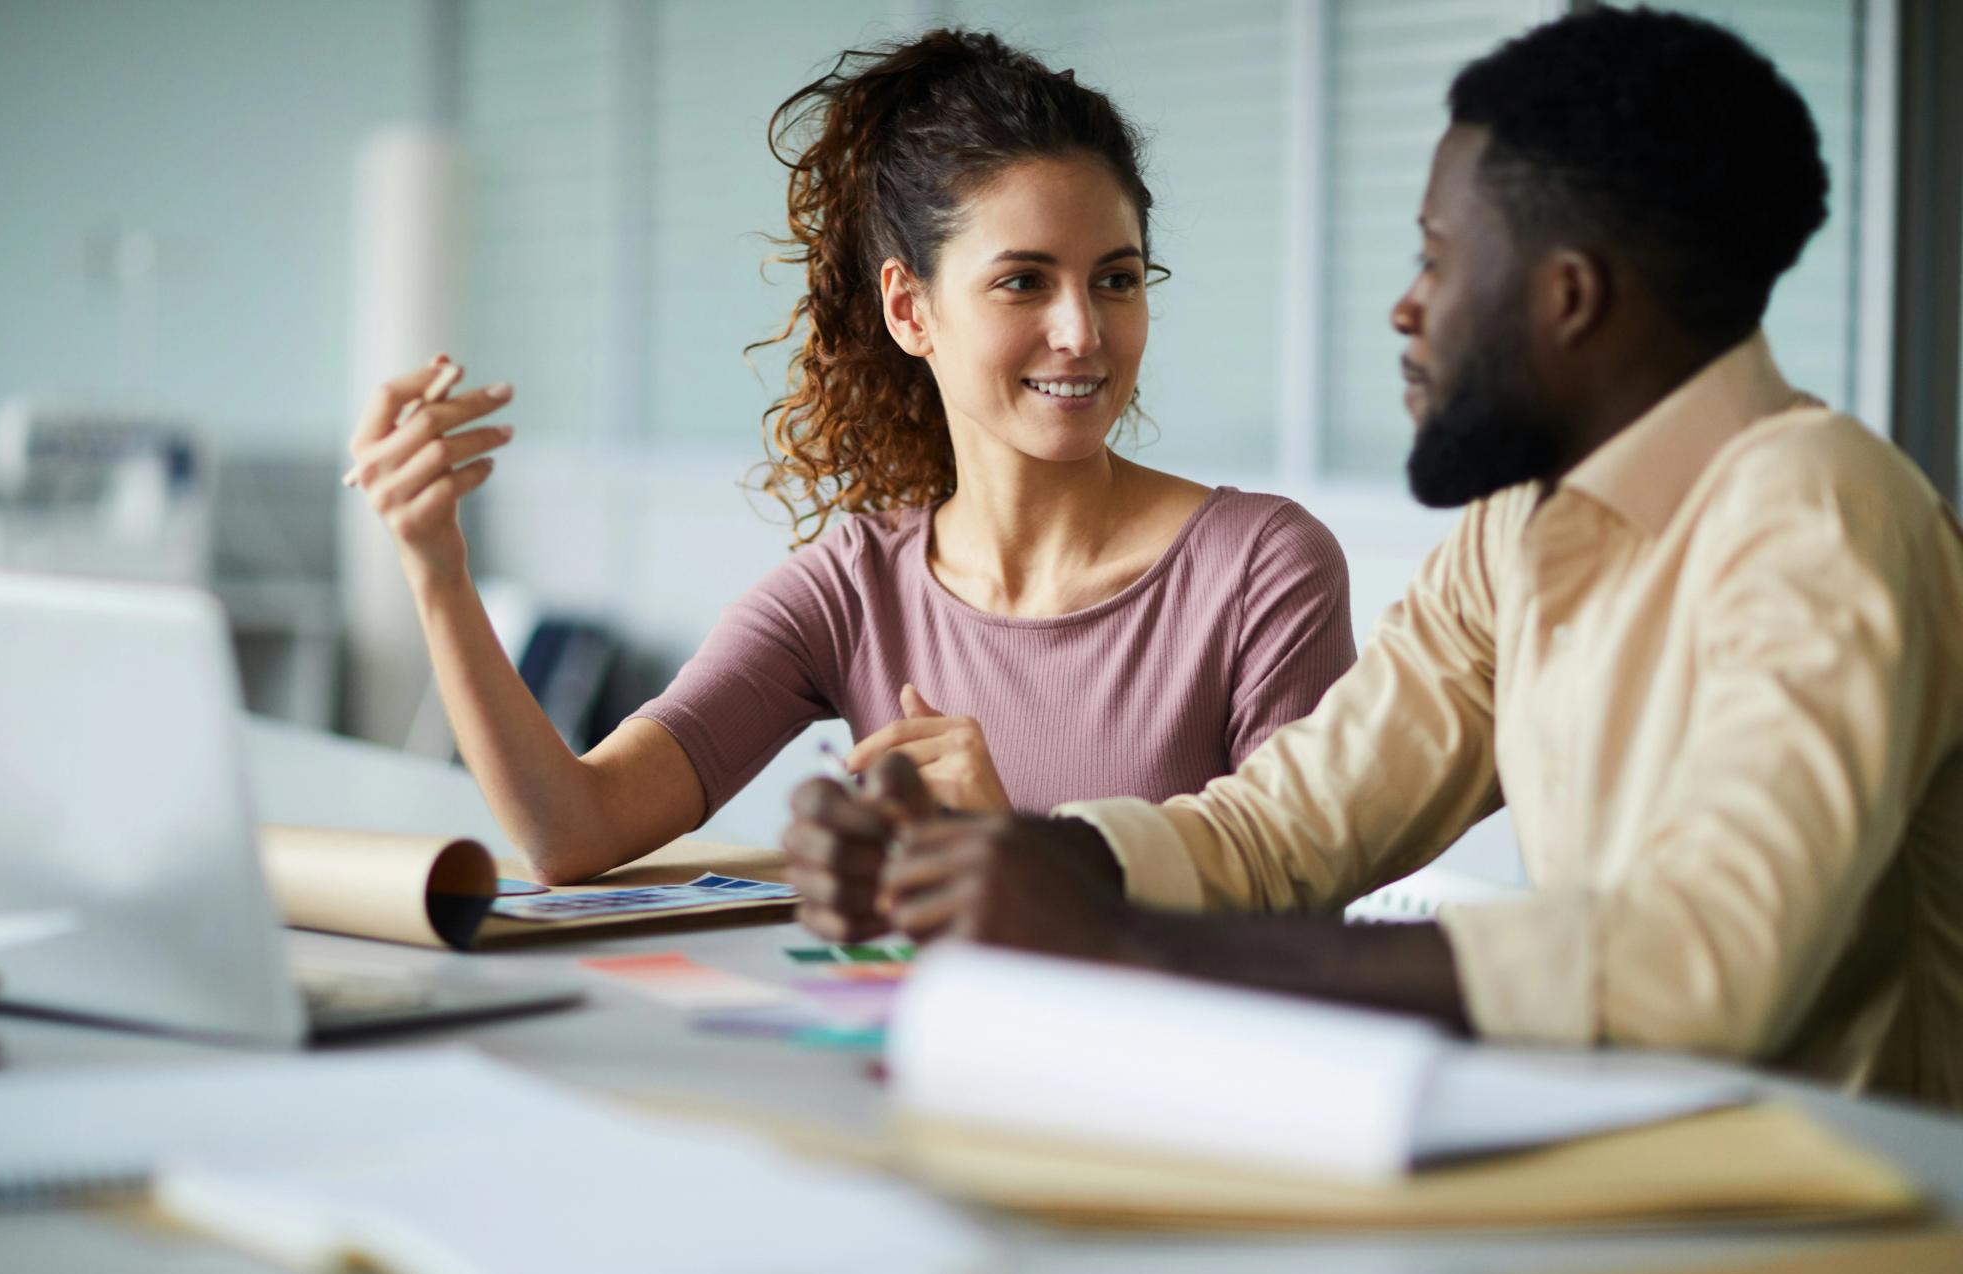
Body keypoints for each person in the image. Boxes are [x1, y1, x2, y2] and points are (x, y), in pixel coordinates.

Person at [785, 8, 1963, 1109]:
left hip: (1847, 1221)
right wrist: (1022, 862)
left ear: (1567, 297)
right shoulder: (1517, 532)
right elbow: (1288, 828)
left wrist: (1123, 937)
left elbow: (1701, 965)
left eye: (1438, 260)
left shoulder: (1821, 510)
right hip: (1635, 1175)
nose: (1405, 308)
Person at [342, 29, 1354, 886]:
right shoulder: (852, 590)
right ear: (910, 309)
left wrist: (1012, 853)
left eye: (1116, 280)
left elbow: (1296, 919)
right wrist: (436, 569)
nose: (1081, 330)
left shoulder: (1262, 568)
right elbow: (575, 827)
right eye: (1023, 282)